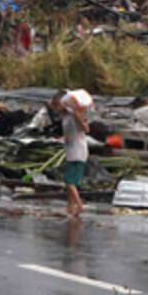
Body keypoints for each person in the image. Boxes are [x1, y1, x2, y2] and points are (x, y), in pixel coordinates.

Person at [50, 88, 93, 217]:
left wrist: (77, 115)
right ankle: (70, 207)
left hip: (78, 151)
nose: (55, 109)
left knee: (69, 182)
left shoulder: (75, 115)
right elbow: (69, 134)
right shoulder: (65, 117)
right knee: (70, 182)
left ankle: (79, 205)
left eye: (57, 106)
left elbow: (86, 129)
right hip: (71, 151)